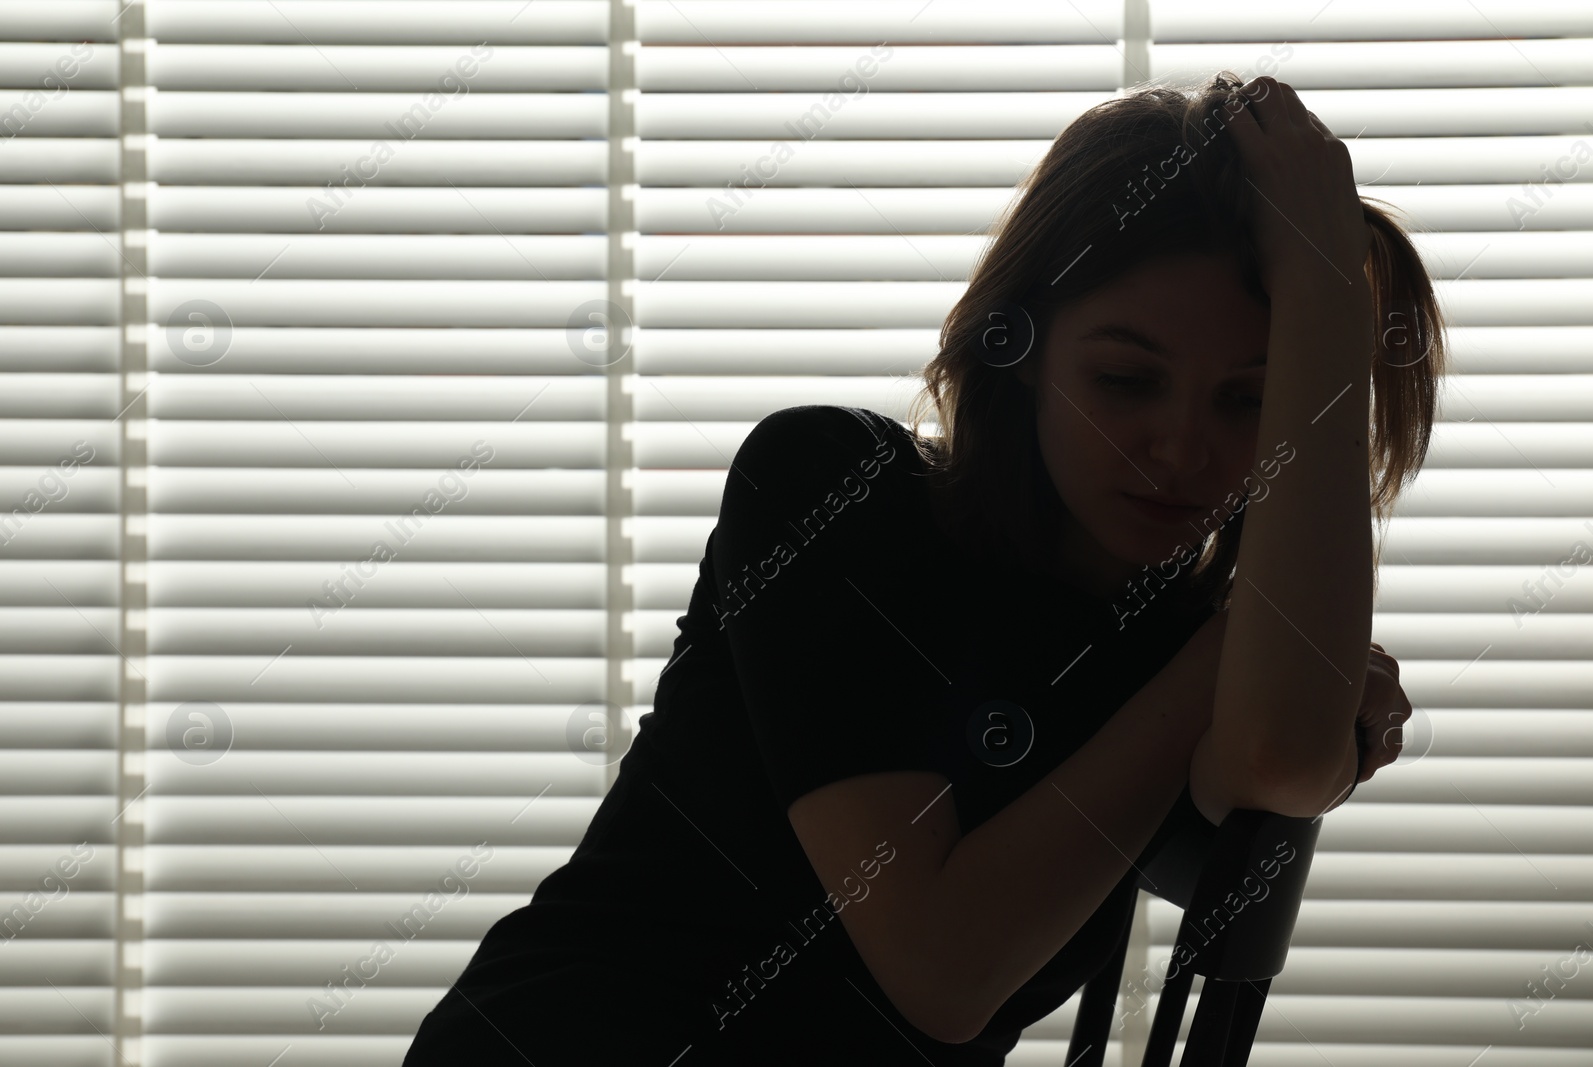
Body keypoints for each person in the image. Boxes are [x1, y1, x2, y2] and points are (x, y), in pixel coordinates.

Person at [402, 71, 1432, 1066]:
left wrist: (1324, 296)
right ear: (1017, 345)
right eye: (1125, 379)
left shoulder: (1175, 645)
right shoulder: (827, 489)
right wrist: (1239, 648)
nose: (1176, 450)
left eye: (1249, 401)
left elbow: (1287, 758)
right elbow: (943, 967)